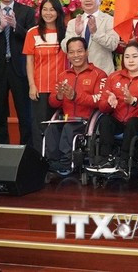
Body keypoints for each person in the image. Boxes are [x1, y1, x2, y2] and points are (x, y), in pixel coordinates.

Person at [90, 41, 138, 175]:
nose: (130, 60)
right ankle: (105, 160)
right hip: (119, 119)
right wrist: (109, 102)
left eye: (135, 56)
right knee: (105, 120)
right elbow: (102, 107)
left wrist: (135, 101)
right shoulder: (114, 77)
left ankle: (124, 162)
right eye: (127, 57)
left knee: (132, 122)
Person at [47, 37, 107, 175]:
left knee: (69, 128)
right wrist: (59, 97)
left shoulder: (99, 74)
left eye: (79, 51)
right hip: (67, 117)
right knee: (52, 128)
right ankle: (52, 162)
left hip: (86, 120)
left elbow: (99, 100)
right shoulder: (63, 75)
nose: (76, 55)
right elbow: (52, 102)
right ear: (67, 55)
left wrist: (75, 96)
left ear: (86, 52)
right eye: (72, 52)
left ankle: (65, 162)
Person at [0, 0, 34, 145]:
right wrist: (0, 28)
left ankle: (27, 152)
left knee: (24, 114)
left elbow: (33, 38)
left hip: (20, 69)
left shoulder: (27, 11)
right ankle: (0, 150)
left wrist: (16, 26)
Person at [24, 0, 67, 152]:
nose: (48, 13)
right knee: (40, 125)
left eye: (52, 9)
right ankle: (40, 158)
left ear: (59, 12)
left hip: (61, 88)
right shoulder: (32, 33)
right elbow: (29, 62)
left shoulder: (67, 31)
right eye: (45, 9)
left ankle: (59, 158)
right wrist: (31, 85)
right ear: (40, 11)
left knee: (60, 125)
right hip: (40, 87)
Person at [61, 0, 119, 74]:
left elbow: (113, 45)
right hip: (78, 74)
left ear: (100, 0)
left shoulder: (109, 20)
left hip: (102, 73)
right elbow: (65, 48)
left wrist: (96, 33)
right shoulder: (73, 22)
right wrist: (76, 34)